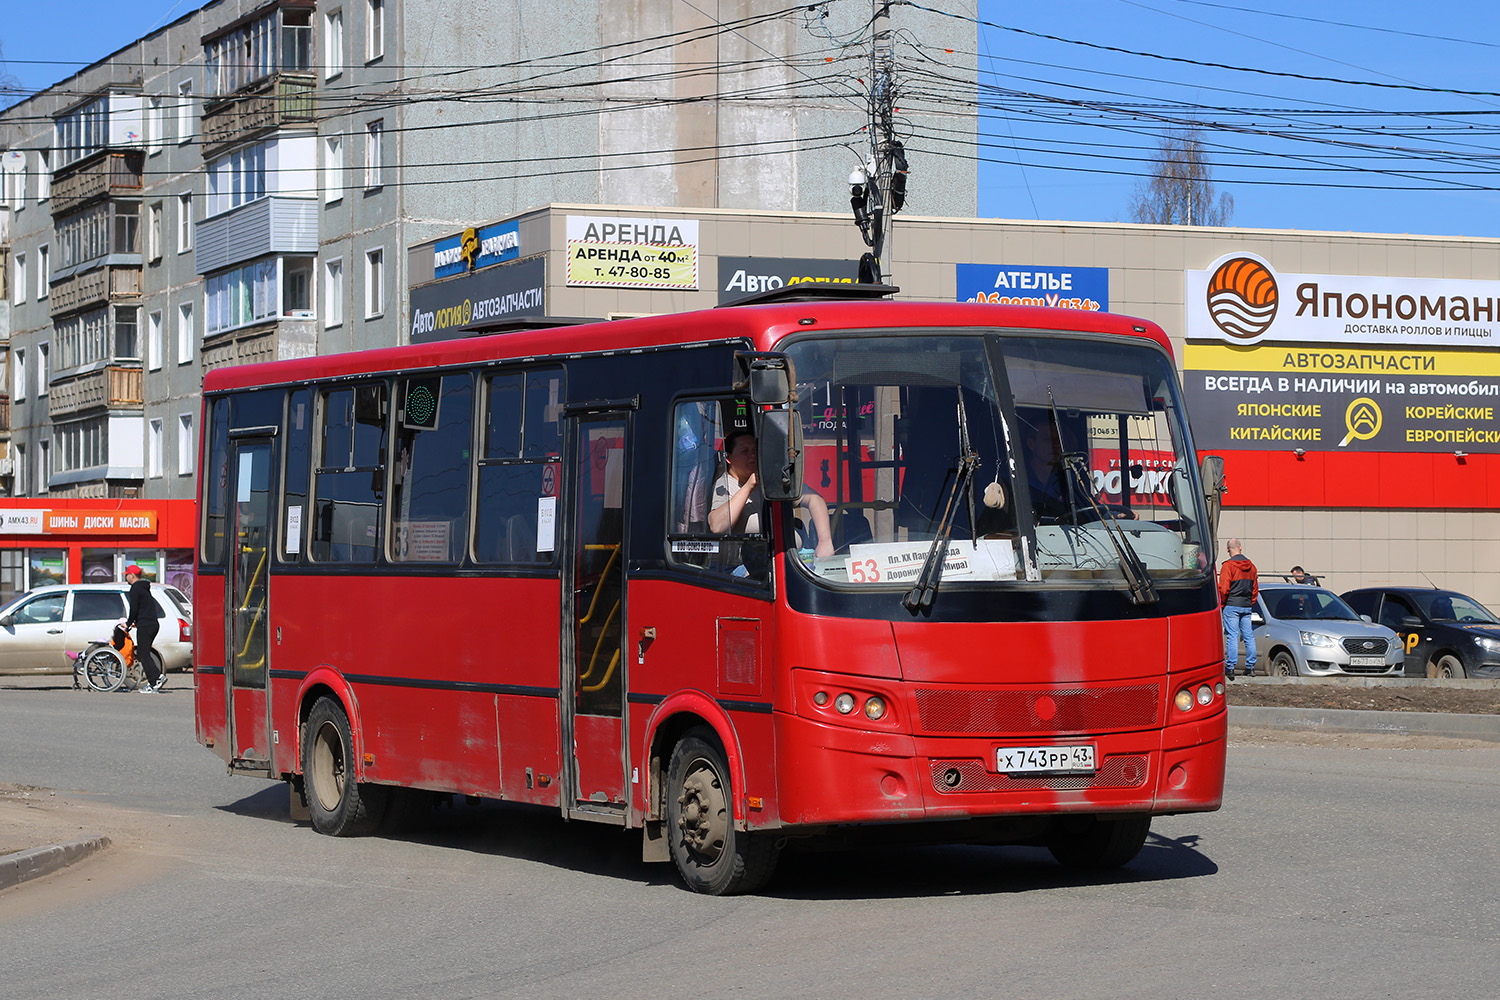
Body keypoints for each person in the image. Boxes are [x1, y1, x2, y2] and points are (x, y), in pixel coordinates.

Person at [709, 429, 835, 558]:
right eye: (744, 451)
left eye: (755, 450)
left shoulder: (769, 479)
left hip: (792, 559)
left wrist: (825, 541)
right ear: (729, 458)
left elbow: (815, 499)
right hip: (749, 566)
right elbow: (718, 526)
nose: (752, 455)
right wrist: (748, 487)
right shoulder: (725, 485)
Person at [1217, 538, 1259, 680]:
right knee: (1248, 636)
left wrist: (1223, 604)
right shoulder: (1252, 567)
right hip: (1246, 606)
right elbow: (1255, 590)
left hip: (1232, 605)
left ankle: (1230, 668)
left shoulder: (1228, 566)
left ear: (1227, 549)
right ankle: (1251, 667)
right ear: (1240, 547)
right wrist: (1250, 603)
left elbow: (1223, 588)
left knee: (1232, 636)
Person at [124, 564, 163, 694]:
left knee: (143, 654)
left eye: (127, 575)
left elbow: (134, 608)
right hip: (152, 624)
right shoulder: (145, 588)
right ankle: (157, 678)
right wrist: (137, 622)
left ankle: (155, 680)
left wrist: (128, 623)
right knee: (143, 653)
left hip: (146, 625)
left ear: (132, 575)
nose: (127, 578)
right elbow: (145, 608)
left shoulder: (135, 589)